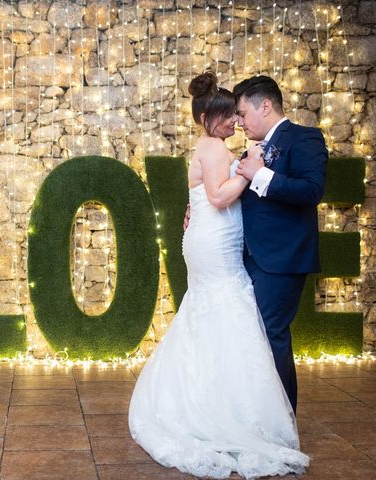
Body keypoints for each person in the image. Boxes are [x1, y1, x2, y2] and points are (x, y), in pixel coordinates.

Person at [129, 72, 309, 479]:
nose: (236, 123)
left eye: (238, 116)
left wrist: (243, 169)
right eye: (230, 116)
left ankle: (222, 402)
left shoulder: (215, 146)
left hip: (217, 238)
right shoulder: (212, 147)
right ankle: (220, 412)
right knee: (226, 309)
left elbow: (212, 198)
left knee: (218, 315)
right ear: (211, 116)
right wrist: (248, 171)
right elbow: (216, 196)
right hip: (214, 245)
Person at [234, 75, 327, 413]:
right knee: (253, 337)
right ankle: (258, 415)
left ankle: (282, 422)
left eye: (243, 113)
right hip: (250, 257)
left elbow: (311, 191)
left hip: (282, 258)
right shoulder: (251, 150)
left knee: (270, 334)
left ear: (266, 106)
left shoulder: (305, 138)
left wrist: (260, 174)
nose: (238, 121)